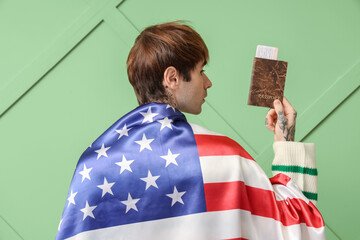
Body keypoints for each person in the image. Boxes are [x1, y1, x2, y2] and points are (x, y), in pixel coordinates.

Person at [56, 22, 325, 240]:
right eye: (200, 71)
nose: (208, 82)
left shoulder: (91, 165)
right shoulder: (222, 156)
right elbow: (294, 229)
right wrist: (286, 143)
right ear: (172, 78)